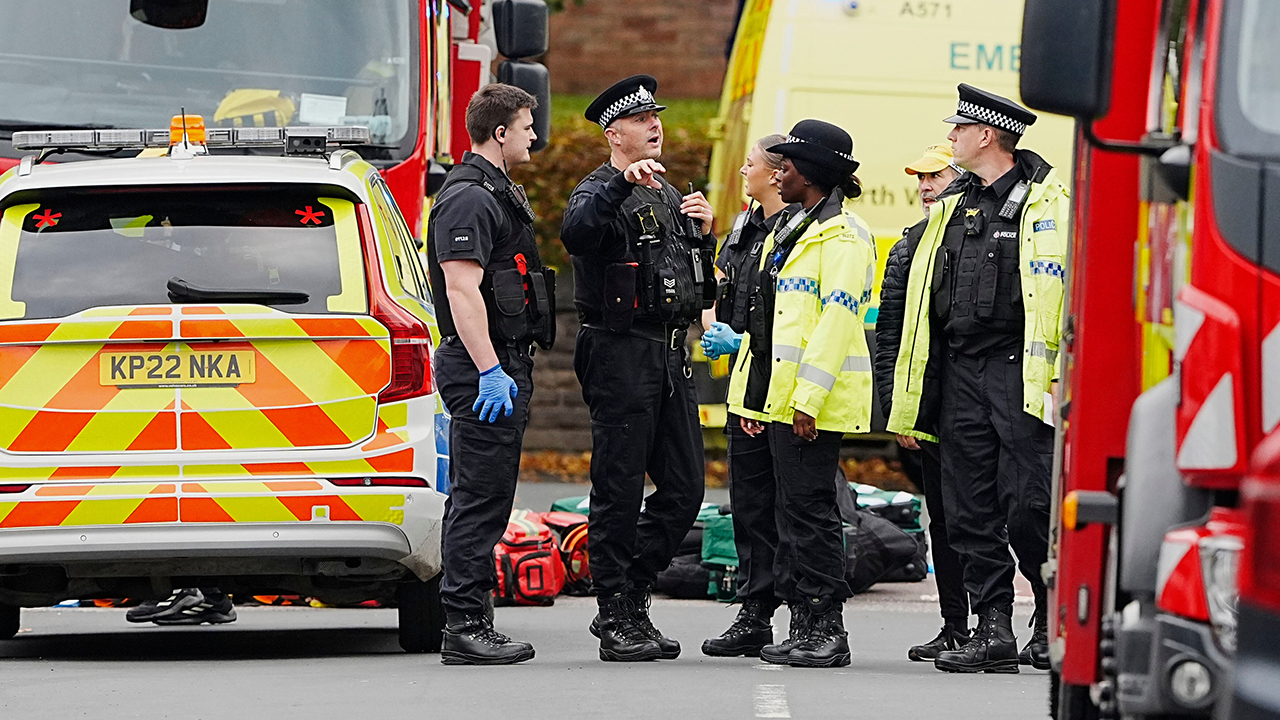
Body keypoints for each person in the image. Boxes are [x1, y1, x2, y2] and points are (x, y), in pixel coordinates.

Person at [888, 84, 1068, 674]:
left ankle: (1049, 617)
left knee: (1030, 505)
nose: (952, 137)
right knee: (967, 508)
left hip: (1021, 372)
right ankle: (992, 629)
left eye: (960, 129)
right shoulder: (950, 207)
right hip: (959, 371)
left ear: (987, 135)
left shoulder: (1050, 202)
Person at [559, 75, 715, 662]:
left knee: (685, 488)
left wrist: (703, 236)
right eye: (641, 119)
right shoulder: (597, 190)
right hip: (619, 351)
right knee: (619, 487)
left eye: (657, 117)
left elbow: (693, 285)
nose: (655, 126)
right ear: (613, 134)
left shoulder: (667, 193)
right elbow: (577, 234)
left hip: (670, 352)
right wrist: (620, 185)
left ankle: (632, 589)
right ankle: (614, 610)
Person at [725, 120, 877, 668]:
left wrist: (807, 401)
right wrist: (754, 400)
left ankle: (827, 627)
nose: (778, 173)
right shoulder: (792, 229)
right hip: (778, 399)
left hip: (809, 404)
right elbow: (769, 324)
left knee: (811, 515)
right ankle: (804, 624)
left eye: (786, 166)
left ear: (810, 174)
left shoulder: (843, 236)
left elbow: (836, 323)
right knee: (790, 514)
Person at [426, 83, 553, 665]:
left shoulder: (493, 192)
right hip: (484, 366)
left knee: (486, 496)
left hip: (498, 362)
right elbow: (461, 288)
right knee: (479, 499)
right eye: (526, 127)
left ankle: (470, 620)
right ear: (499, 133)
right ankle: (464, 626)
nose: (534, 136)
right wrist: (490, 370)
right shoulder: (470, 199)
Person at [874, 143, 972, 662]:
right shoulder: (908, 245)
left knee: (993, 516)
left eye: (937, 176)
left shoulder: (980, 235)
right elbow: (889, 334)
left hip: (981, 401)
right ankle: (955, 625)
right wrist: (898, 408)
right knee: (944, 518)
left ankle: (1014, 622)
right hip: (931, 405)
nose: (926, 186)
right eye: (920, 178)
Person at [699, 134, 795, 657]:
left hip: (782, 388)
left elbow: (793, 318)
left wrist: (747, 344)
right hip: (745, 387)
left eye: (751, 163)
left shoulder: (798, 230)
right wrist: (717, 328)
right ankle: (755, 612)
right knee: (750, 507)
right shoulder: (744, 227)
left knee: (792, 509)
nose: (742, 170)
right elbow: (720, 291)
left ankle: (806, 614)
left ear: (777, 172)